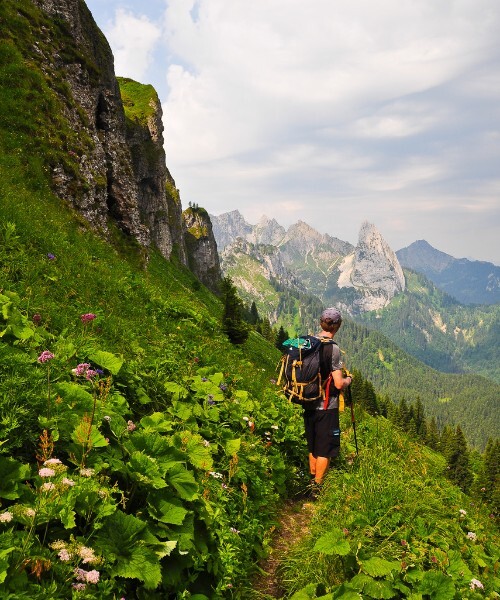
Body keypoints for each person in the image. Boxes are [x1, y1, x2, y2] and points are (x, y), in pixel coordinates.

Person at [303, 307, 352, 490]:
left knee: (313, 446)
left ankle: (311, 480)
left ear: (321, 323)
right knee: (324, 448)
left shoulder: (309, 343)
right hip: (326, 405)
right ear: (337, 326)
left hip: (308, 402)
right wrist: (349, 379)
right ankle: (316, 488)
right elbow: (338, 384)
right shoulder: (333, 348)